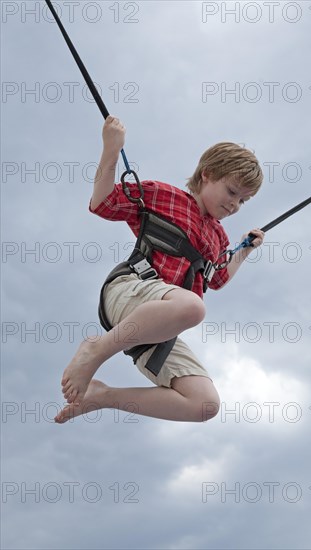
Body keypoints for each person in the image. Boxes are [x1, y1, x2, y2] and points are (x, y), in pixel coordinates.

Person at [54, 115, 265, 424]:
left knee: (204, 404)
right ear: (207, 175)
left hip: (158, 324)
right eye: (232, 192)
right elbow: (103, 204)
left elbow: (217, 278)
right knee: (192, 307)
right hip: (129, 290)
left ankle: (102, 396)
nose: (235, 205)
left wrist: (244, 249)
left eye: (243, 201)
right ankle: (96, 350)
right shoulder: (163, 195)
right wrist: (111, 149)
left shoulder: (219, 237)